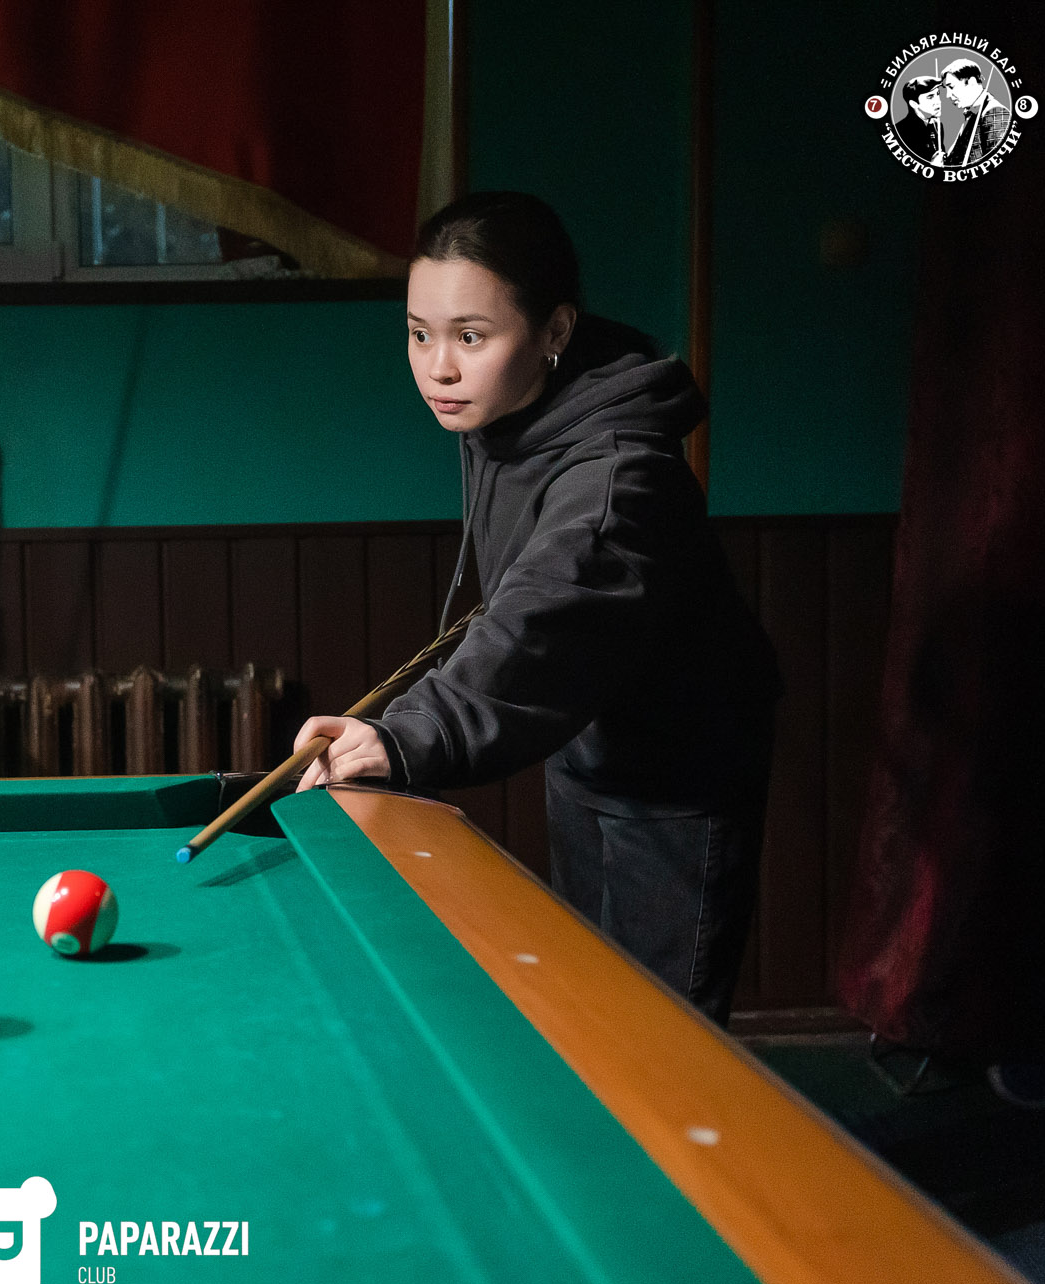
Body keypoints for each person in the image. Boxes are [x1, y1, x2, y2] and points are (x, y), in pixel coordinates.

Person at [294, 192, 780, 1024]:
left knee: (657, 1040)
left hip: (678, 773)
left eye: (469, 336)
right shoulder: (512, 404)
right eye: (419, 333)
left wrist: (400, 736)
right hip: (587, 741)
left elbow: (540, 619)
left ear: (554, 330)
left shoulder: (618, 480)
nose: (438, 368)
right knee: (588, 1010)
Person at [941, 59, 1012, 165]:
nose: (948, 95)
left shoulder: (995, 112)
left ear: (972, 82)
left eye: (951, 87)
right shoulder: (972, 112)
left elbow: (997, 163)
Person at [893, 74, 947, 165]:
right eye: (930, 97)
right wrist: (931, 166)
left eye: (938, 94)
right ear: (914, 104)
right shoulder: (900, 131)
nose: (938, 101)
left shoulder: (937, 125)